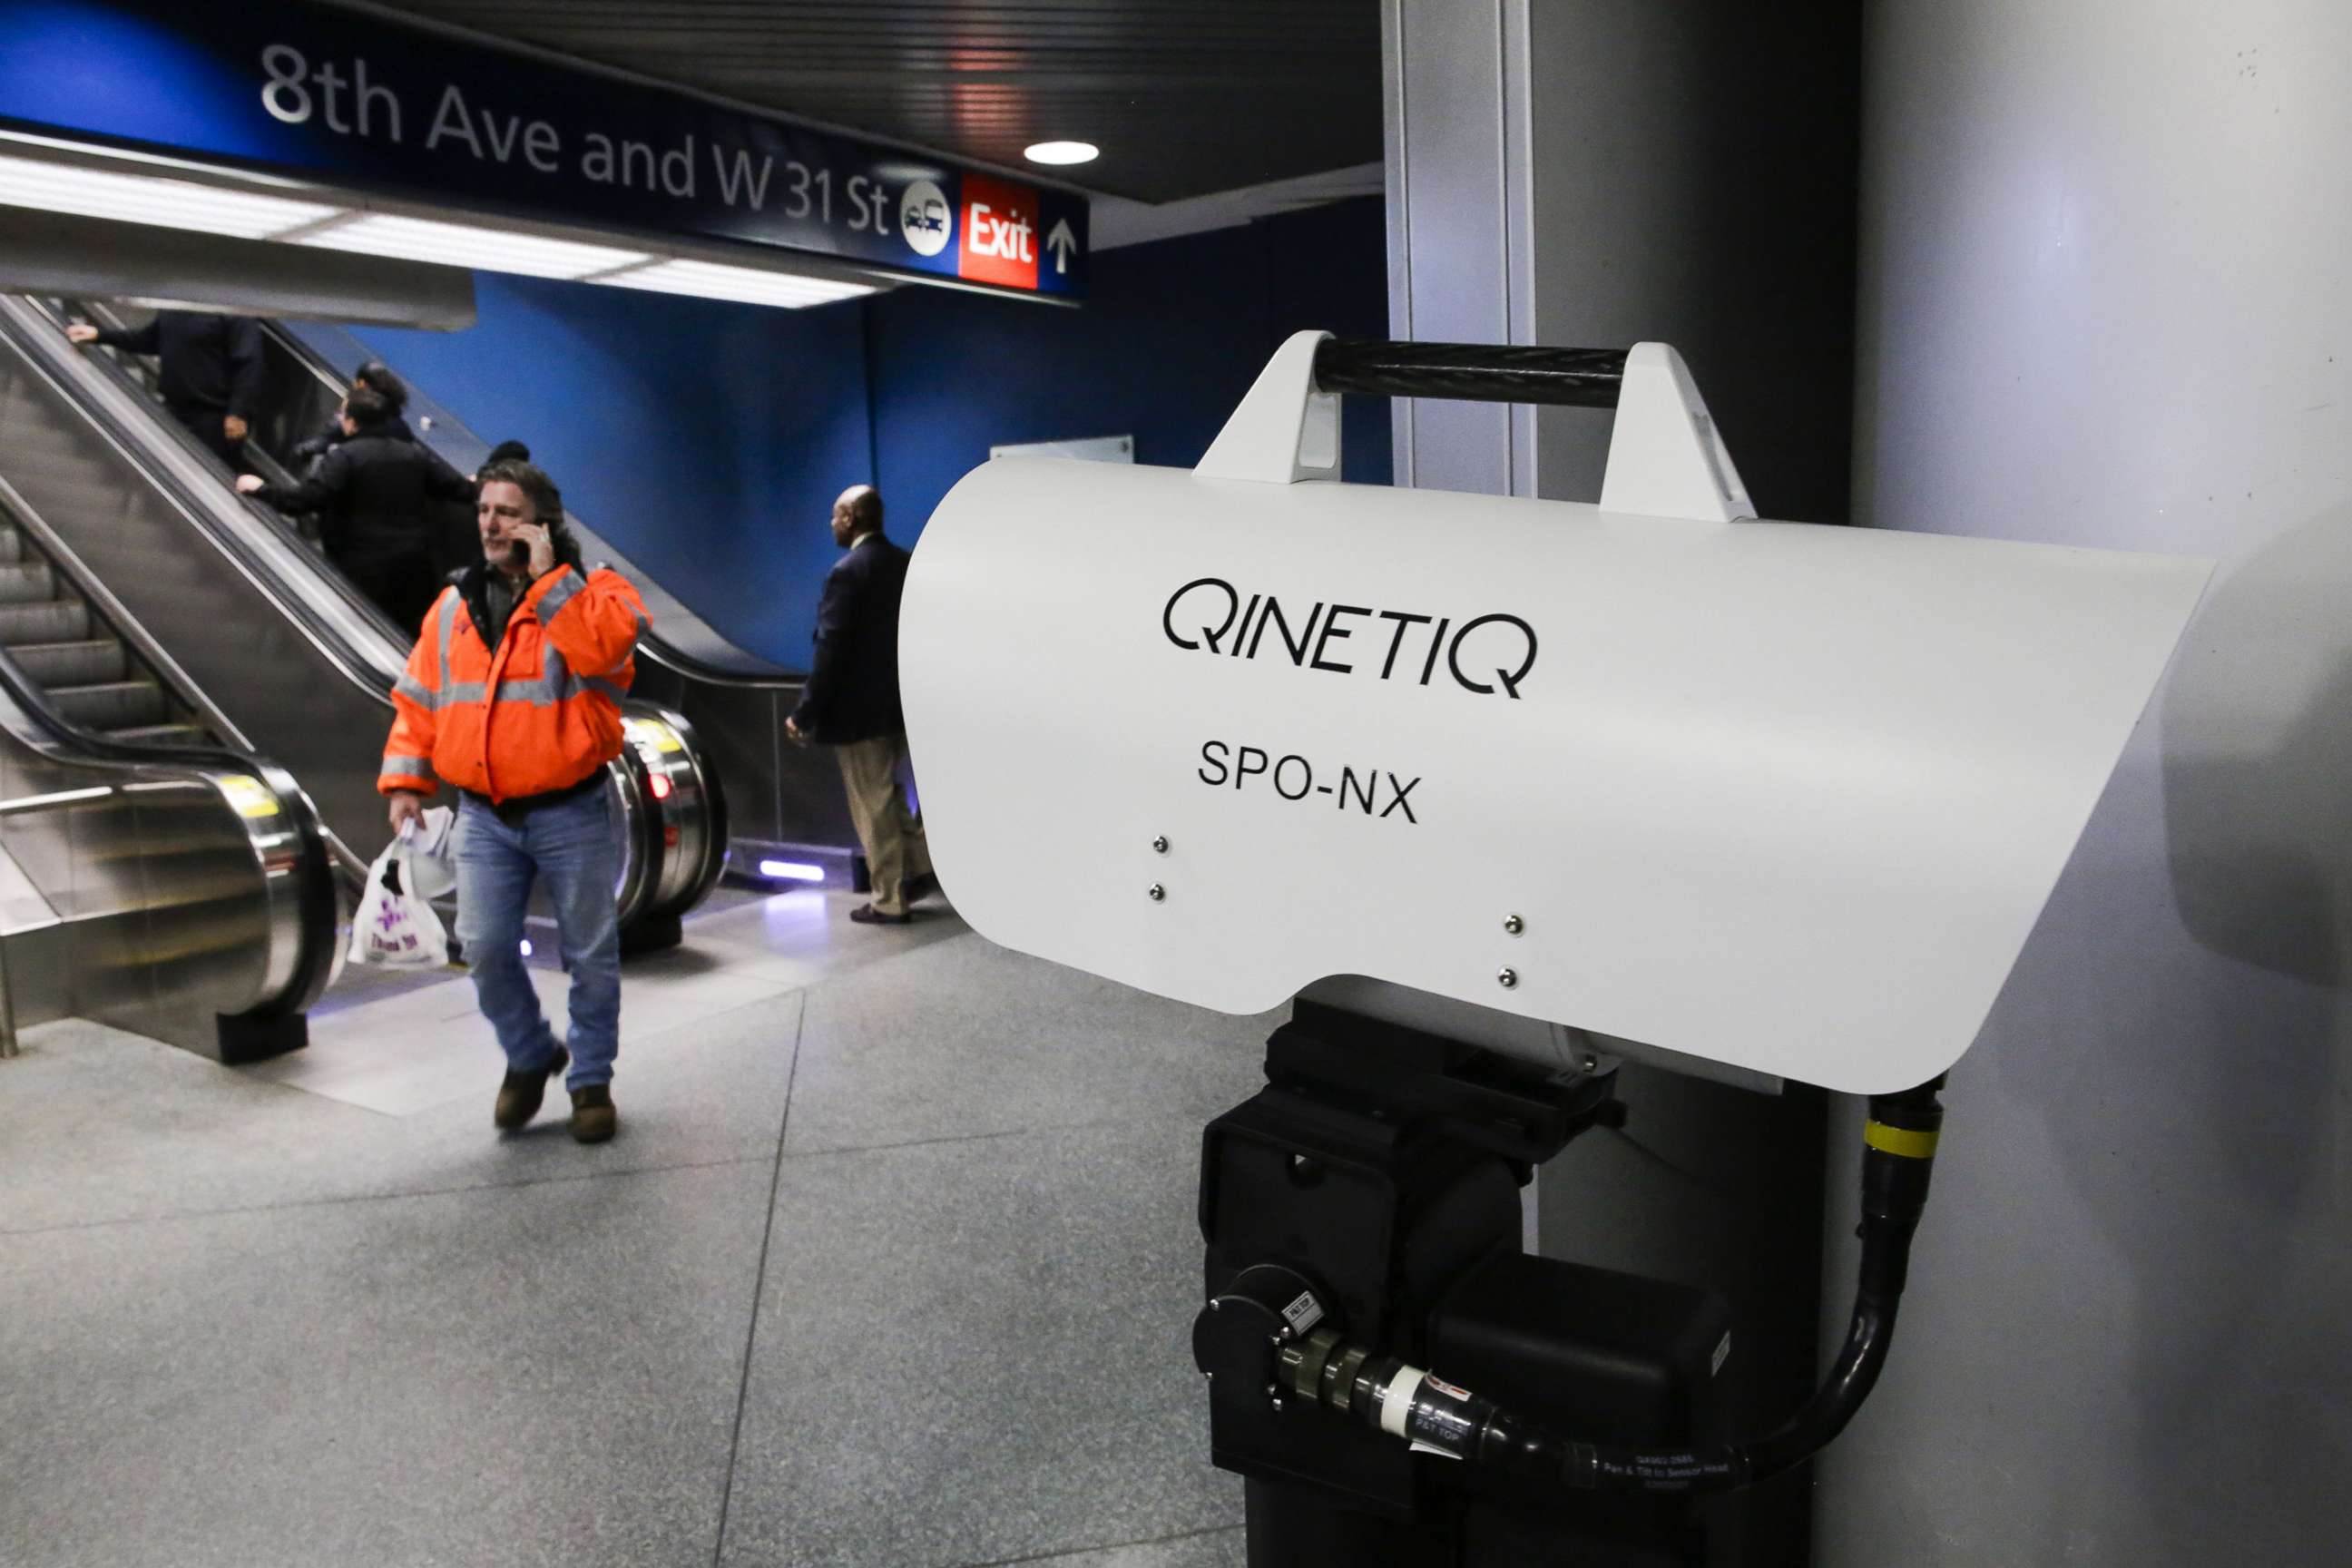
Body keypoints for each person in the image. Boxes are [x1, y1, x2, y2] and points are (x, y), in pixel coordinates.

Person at [379, 460, 648, 1142]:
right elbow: (420, 697)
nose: (491, 524)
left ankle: (590, 1081)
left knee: (590, 953)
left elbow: (603, 650)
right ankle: (530, 1054)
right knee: (484, 946)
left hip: (572, 811)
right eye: (483, 512)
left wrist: (550, 579)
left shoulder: (594, 590)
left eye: (507, 512)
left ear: (542, 522)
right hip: (484, 817)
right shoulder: (454, 606)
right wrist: (408, 779)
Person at [784, 485, 934, 925]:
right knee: (891, 798)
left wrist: (805, 712)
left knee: (873, 805)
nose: (831, 523)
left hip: (858, 713)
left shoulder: (847, 573)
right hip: (901, 704)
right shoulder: (905, 564)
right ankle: (918, 872)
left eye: (835, 515)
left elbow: (832, 649)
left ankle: (889, 897)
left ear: (850, 517)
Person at [236, 386, 471, 631]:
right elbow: (458, 489)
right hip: (415, 568)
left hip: (363, 570)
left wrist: (262, 489)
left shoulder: (346, 457)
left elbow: (306, 499)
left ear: (351, 423)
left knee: (362, 630)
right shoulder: (414, 454)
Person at [64, 309, 263, 468]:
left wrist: (238, 412)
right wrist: (100, 335)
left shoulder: (235, 312)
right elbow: (149, 339)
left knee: (207, 482)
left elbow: (249, 365)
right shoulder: (176, 307)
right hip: (173, 411)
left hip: (214, 421)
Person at [289, 360, 414, 468]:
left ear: (362, 384)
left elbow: (322, 442)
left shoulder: (355, 415)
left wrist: (343, 412)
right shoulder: (402, 427)